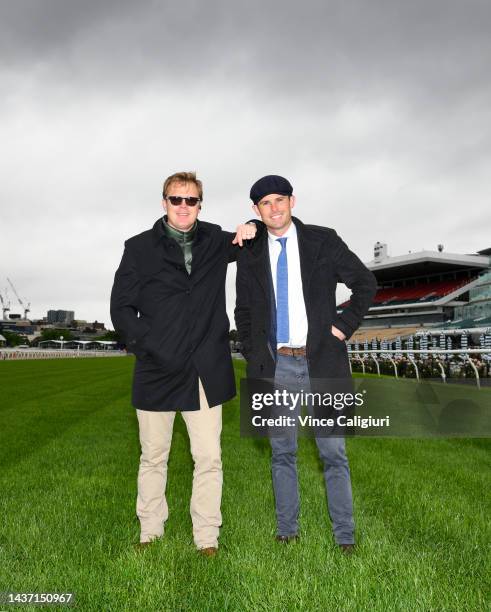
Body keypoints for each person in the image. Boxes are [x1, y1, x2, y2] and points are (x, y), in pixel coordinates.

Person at [110, 171, 256, 556]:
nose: (183, 207)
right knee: (153, 456)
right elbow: (120, 307)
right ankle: (150, 532)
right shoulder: (138, 247)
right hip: (156, 366)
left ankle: (207, 537)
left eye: (191, 200)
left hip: (206, 367)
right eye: (176, 199)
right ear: (164, 202)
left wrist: (253, 224)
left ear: (199, 204)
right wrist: (147, 345)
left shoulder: (215, 239)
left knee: (208, 458)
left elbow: (253, 237)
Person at [235, 175, 377, 553]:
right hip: (276, 366)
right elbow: (243, 311)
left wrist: (344, 326)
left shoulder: (322, 240)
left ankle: (345, 537)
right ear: (256, 210)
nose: (274, 208)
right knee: (283, 452)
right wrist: (254, 354)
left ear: (292, 201)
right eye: (265, 203)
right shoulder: (249, 253)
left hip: (322, 362)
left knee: (333, 453)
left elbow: (365, 282)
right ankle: (287, 531)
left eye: (280, 200)